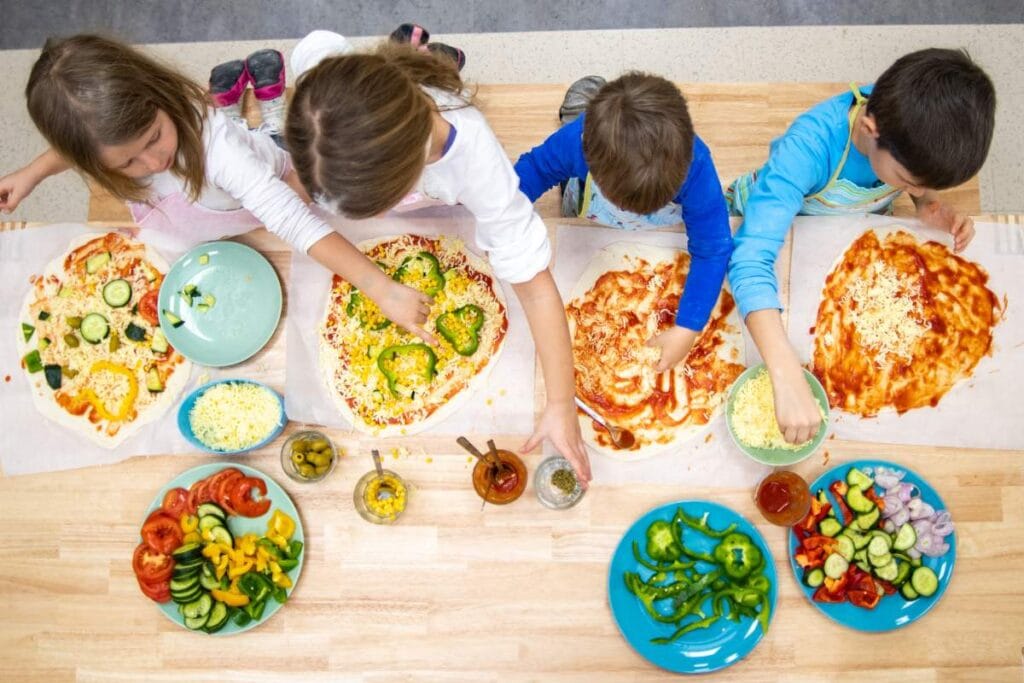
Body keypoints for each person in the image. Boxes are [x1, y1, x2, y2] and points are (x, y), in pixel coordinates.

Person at [285, 30, 591, 485]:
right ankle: (416, 52)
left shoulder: (477, 165)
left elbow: (536, 287)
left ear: (407, 178)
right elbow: (314, 55)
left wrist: (561, 404)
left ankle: (426, 57)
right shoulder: (324, 84)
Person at [0, 34, 429, 340]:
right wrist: (33, 172)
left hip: (265, 180)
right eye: (126, 163)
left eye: (154, 138)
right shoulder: (103, 143)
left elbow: (288, 219)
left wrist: (381, 288)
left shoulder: (214, 146)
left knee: (307, 188)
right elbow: (72, 150)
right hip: (198, 220)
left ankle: (273, 122)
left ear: (160, 95)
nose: (153, 162)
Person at [725, 48, 996, 445]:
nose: (916, 190)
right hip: (774, 224)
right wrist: (784, 371)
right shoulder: (808, 149)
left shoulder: (905, 128)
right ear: (870, 131)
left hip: (844, 235)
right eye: (909, 180)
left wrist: (928, 204)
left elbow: (916, 180)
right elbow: (749, 258)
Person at [514, 73, 733, 372]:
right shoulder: (577, 145)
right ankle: (587, 107)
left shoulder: (696, 167)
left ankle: (594, 102)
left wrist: (688, 327)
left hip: (664, 226)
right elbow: (535, 170)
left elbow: (713, 248)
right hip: (593, 211)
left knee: (597, 114)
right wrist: (504, 214)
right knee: (566, 185)